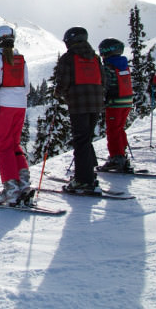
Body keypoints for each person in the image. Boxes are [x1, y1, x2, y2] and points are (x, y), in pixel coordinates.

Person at [55, 26, 105, 194]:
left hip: (78, 104)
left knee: (81, 141)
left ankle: (84, 180)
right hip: (96, 103)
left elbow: (64, 82)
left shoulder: (68, 58)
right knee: (87, 139)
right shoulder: (95, 58)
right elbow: (103, 80)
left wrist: (59, 94)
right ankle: (88, 173)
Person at [0, 25, 31, 205]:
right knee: (15, 145)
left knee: (4, 147)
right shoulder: (20, 57)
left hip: (4, 105)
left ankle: (11, 189)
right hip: (20, 105)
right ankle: (24, 184)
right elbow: (26, 86)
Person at [97, 38, 134, 172]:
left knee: (112, 130)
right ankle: (121, 154)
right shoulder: (123, 64)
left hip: (115, 102)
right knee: (119, 128)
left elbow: (104, 85)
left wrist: (100, 100)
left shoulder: (109, 67)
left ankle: (116, 158)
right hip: (127, 101)